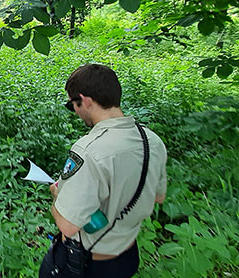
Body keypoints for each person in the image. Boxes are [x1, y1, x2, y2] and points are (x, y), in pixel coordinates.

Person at [38, 64, 168, 278]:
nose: (76, 113)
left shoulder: (88, 150)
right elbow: (159, 197)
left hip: (85, 265)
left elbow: (68, 226)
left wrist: (57, 195)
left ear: (85, 100)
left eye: (73, 106)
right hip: (126, 259)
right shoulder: (151, 141)